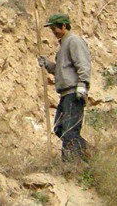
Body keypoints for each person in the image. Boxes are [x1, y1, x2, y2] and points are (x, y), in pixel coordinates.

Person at [38, 13, 91, 162]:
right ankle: (87, 152)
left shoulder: (74, 41)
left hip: (74, 92)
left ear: (63, 26)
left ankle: (71, 164)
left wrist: (83, 84)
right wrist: (47, 64)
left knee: (69, 130)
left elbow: (83, 64)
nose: (53, 32)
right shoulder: (63, 46)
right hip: (65, 94)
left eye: (55, 28)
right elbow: (61, 70)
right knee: (59, 128)